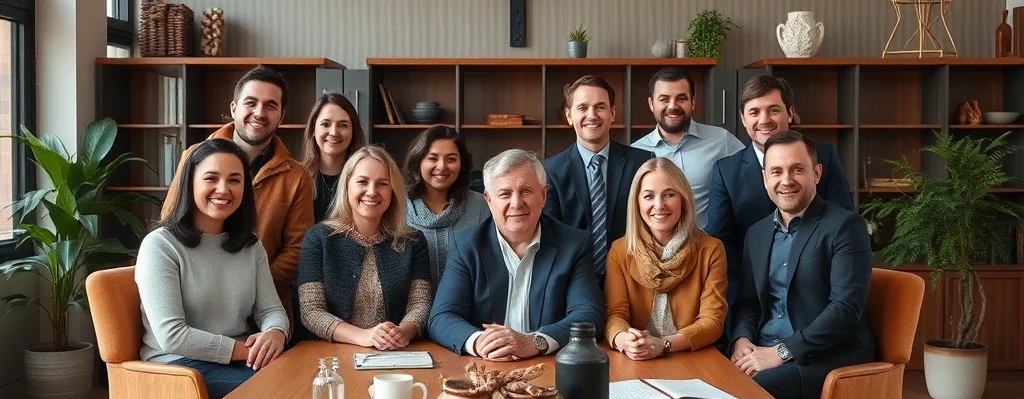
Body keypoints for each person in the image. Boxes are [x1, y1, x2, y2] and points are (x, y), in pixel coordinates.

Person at [161, 65, 315, 326]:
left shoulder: (296, 176)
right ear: (234, 108)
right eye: (251, 102)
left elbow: (297, 250)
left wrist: (249, 289)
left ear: (281, 115)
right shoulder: (194, 157)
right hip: (194, 307)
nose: (259, 113)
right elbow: (171, 222)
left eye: (270, 106)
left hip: (264, 316)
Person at [705, 75, 852, 344]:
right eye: (755, 112)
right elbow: (720, 242)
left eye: (774, 109)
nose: (765, 120)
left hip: (815, 297)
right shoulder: (726, 171)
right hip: (747, 300)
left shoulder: (823, 158)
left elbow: (843, 224)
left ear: (790, 113)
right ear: (743, 119)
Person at [136, 139, 288, 399]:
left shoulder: (250, 245)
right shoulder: (160, 245)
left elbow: (271, 310)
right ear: (190, 183)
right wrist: (248, 350)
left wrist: (276, 333)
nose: (223, 189)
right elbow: (172, 336)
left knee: (307, 375)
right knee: (281, 391)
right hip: (177, 367)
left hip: (238, 361)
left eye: (234, 180)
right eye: (211, 178)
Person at [730, 131, 874, 399]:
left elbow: (845, 309)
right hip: (763, 351)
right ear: (765, 178)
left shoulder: (845, 227)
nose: (786, 180)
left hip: (822, 355)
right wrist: (742, 340)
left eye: (797, 169)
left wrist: (782, 352)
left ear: (816, 174)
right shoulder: (757, 233)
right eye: (776, 171)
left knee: (748, 391)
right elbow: (748, 304)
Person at [428, 149, 605, 360]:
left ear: (544, 195)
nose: (516, 203)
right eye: (504, 193)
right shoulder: (466, 245)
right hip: (486, 367)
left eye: (526, 191)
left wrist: (535, 342)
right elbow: (441, 317)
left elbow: (589, 315)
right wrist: (479, 342)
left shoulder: (574, 244)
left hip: (547, 364)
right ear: (488, 199)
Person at [296, 146, 432, 349]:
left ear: (393, 191)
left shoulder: (413, 241)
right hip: (330, 352)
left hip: (395, 351)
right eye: (362, 182)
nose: (372, 192)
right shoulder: (318, 238)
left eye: (382, 184)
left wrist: (403, 332)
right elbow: (311, 311)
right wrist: (363, 336)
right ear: (347, 186)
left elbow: (420, 303)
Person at [604, 157, 728, 360]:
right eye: (648, 196)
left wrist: (664, 344)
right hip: (635, 357)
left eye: (669, 194)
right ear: (637, 203)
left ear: (683, 199)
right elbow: (615, 314)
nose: (659, 205)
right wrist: (623, 340)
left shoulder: (711, 249)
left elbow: (712, 322)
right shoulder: (620, 251)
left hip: (692, 355)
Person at [543, 75, 653, 285]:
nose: (591, 115)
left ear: (612, 113)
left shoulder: (642, 163)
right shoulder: (550, 170)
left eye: (600, 107)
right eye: (582, 107)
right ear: (569, 115)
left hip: (634, 278)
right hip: (573, 280)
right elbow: (551, 238)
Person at [631, 67, 744, 229]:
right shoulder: (635, 152)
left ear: (693, 102)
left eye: (681, 98)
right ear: (651, 104)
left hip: (706, 248)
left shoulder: (721, 140)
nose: (672, 106)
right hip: (654, 250)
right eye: (664, 99)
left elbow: (752, 174)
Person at [403, 126, 490, 292]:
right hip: (408, 314)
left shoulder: (479, 204)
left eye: (451, 159)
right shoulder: (398, 205)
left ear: (461, 163)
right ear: (418, 160)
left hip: (467, 312)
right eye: (433, 158)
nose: (442, 167)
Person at [301, 92, 366, 223]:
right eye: (326, 124)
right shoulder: (297, 178)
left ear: (354, 131)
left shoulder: (365, 180)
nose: (334, 132)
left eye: (343, 125)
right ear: (313, 129)